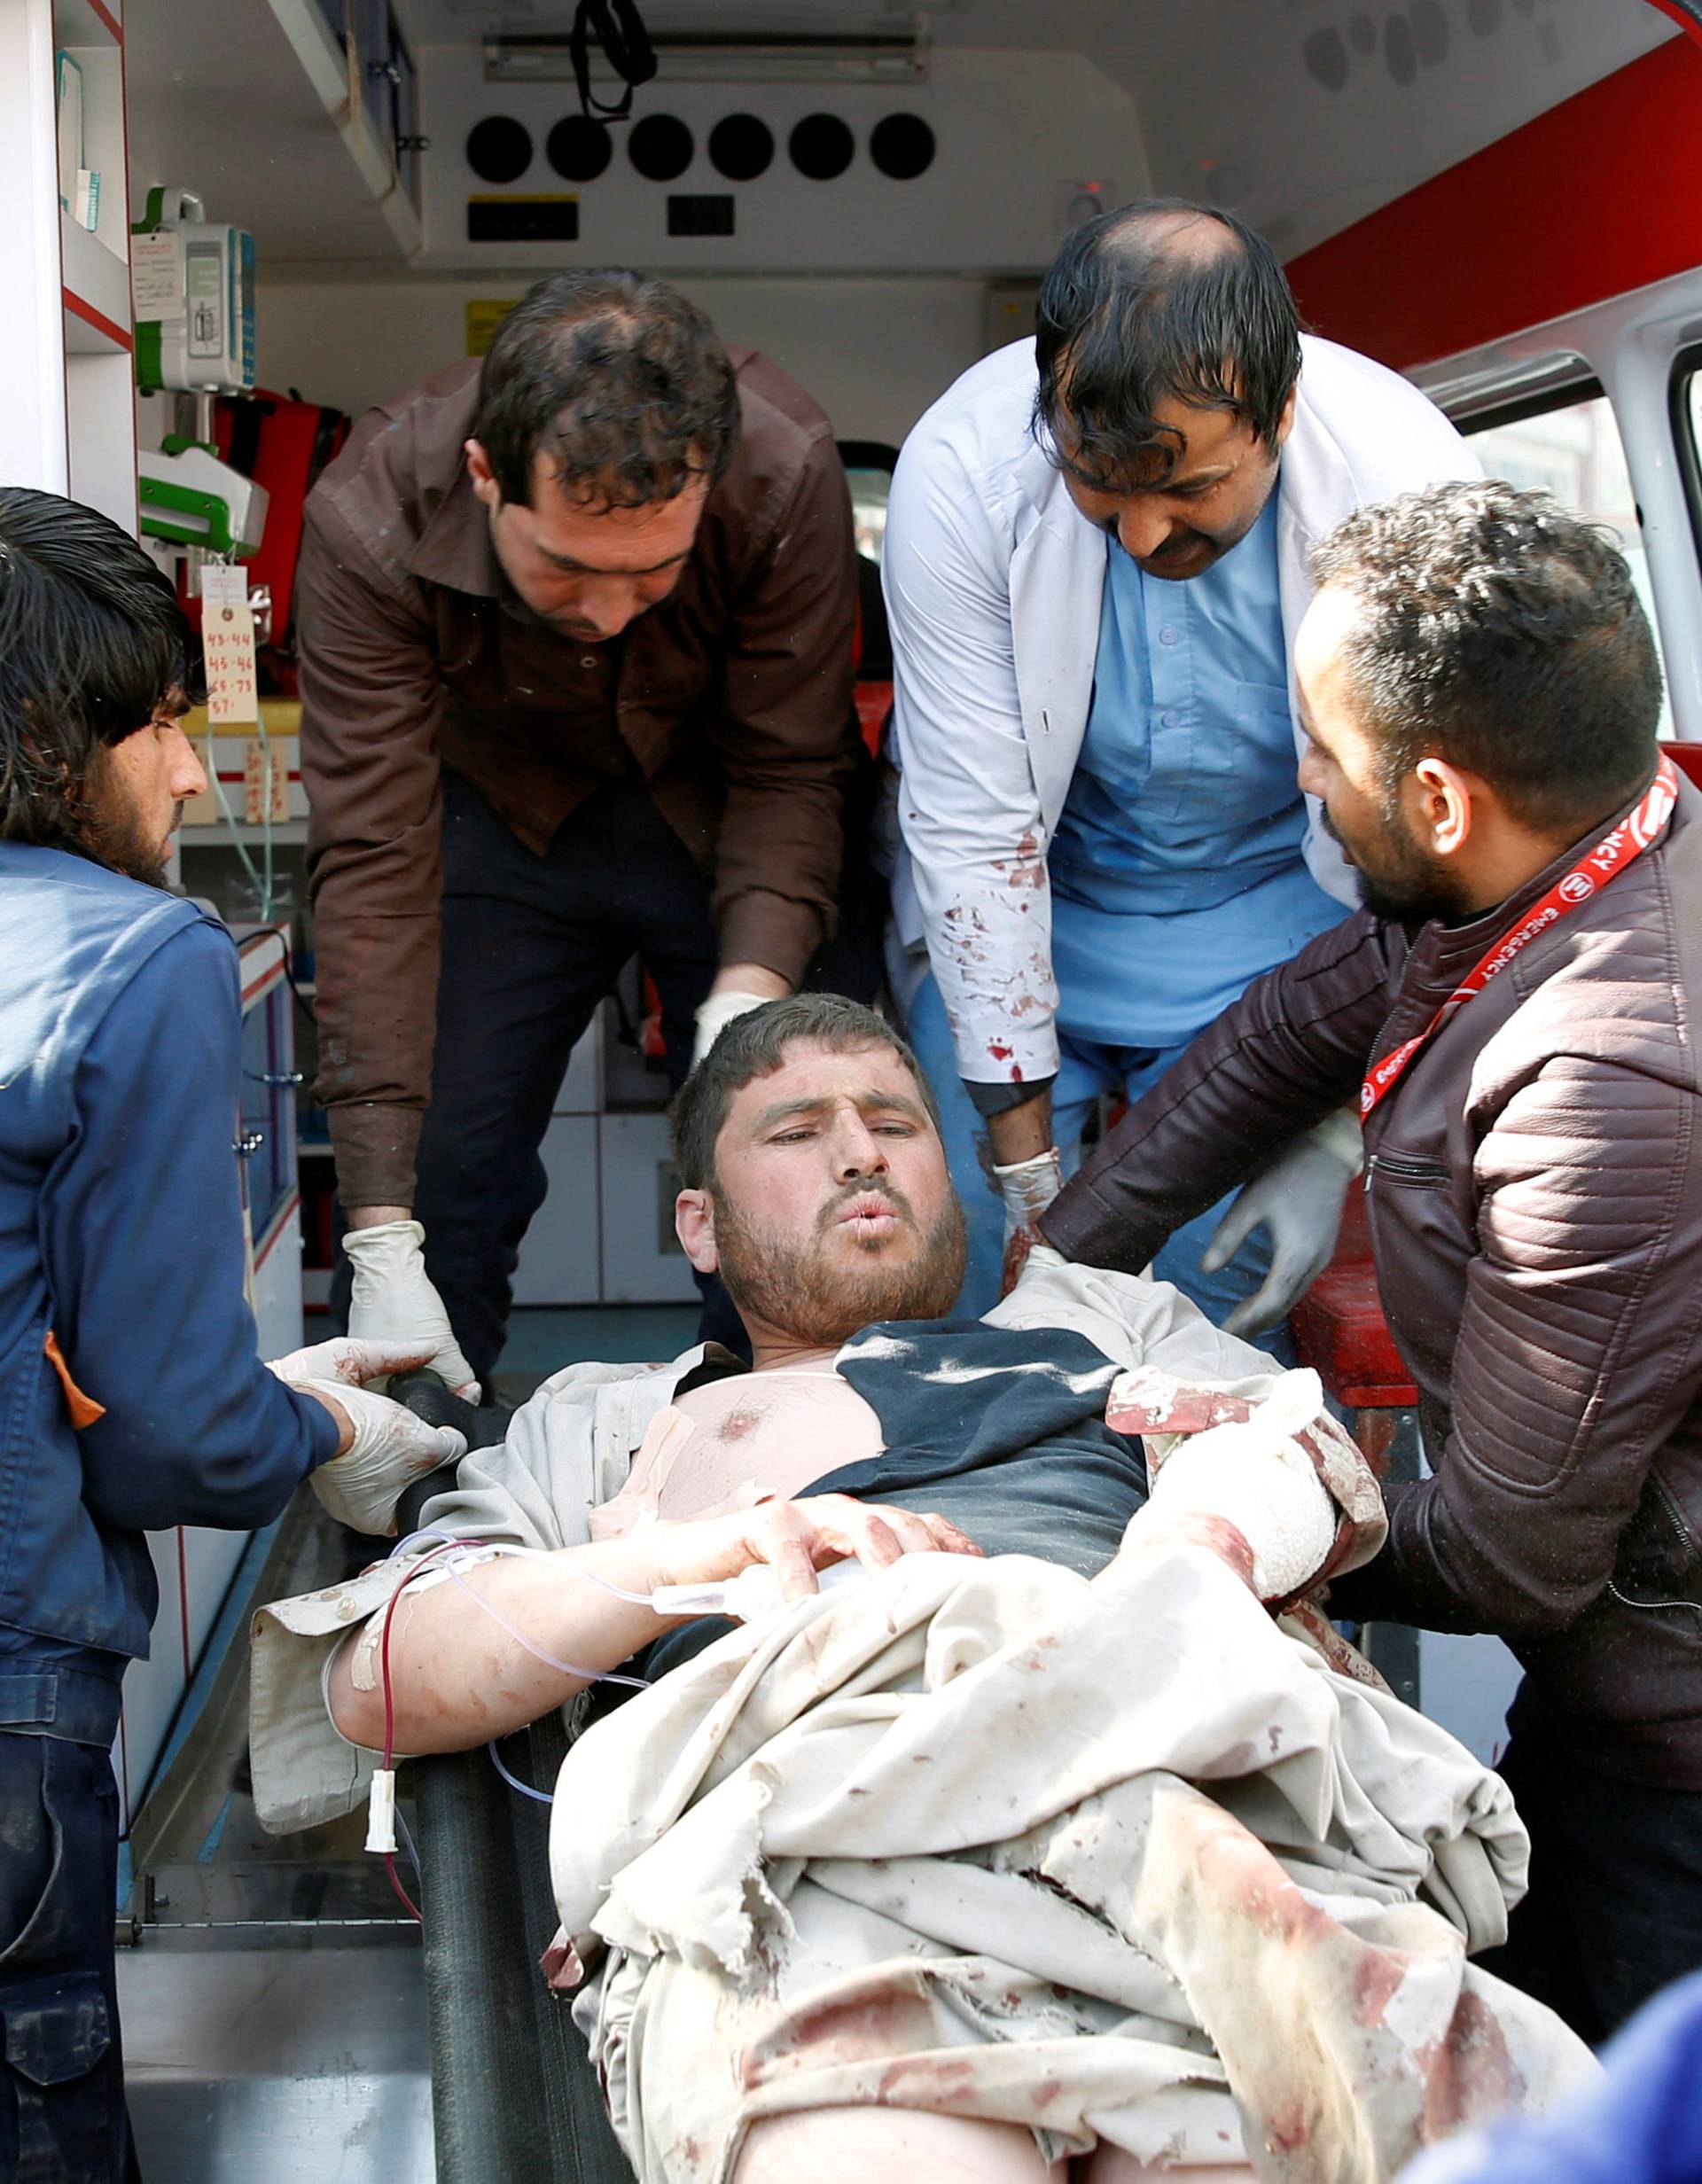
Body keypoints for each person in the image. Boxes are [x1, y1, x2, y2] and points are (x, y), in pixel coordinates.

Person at [253, 995, 1594, 2182]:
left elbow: (1285, 1451)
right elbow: (387, 1680)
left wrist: (1189, 1559)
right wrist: (687, 1557)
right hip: (806, 1870)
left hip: (1172, 1789)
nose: (858, 1150)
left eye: (894, 1121)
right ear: (697, 1227)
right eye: (797, 1133)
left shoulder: (1095, 1318)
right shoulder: (603, 1424)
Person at [1040, 479, 1702, 2044]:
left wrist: (1210, 1503)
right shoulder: (1574, 854)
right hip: (1615, 1679)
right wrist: (1041, 1290)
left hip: (1675, 1738)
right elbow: (1284, 1033)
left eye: (1325, 750)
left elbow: (1505, 1553)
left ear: (1444, 798)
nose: (1302, 778)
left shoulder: (1613, 1080)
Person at [0, 490, 468, 2182]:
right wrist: (326, 1431)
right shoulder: (135, 955)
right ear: (56, 739)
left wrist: (248, 1388)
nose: (191, 776)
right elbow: (166, 1438)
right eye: (160, 727)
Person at [882, 197, 1477, 1330]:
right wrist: (1028, 1189)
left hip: (1283, 941)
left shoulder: (1404, 474)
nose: (1145, 536)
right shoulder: (965, 468)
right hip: (1033, 906)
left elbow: (1446, 846)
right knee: (952, 1269)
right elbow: (973, 830)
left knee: (1214, 1317)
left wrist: (1334, 1131)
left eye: (1191, 487)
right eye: (1101, 486)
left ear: (1282, 412)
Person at [296, 269, 866, 1392]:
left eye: (655, 570)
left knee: (784, 1150)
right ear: (483, 475)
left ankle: (789, 1459)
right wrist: (376, 1229)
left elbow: (791, 765)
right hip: (499, 822)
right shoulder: (371, 512)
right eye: (565, 569)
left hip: (731, 820)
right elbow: (373, 858)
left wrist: (746, 1001)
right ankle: (407, 1489)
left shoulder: (783, 468)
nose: (608, 611)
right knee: (440, 1166)